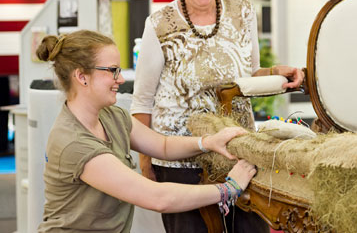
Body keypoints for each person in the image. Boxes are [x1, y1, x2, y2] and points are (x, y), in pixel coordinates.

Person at [131, 0, 305, 233]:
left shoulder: (242, 11)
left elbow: (249, 73)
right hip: (180, 162)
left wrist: (278, 71)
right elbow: (142, 100)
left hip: (239, 152)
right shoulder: (159, 24)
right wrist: (146, 162)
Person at [35, 30, 257, 233]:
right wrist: (229, 189)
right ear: (82, 77)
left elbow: (162, 145)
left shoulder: (112, 116)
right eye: (112, 71)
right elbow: (158, 198)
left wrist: (208, 142)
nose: (120, 80)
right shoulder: (74, 143)